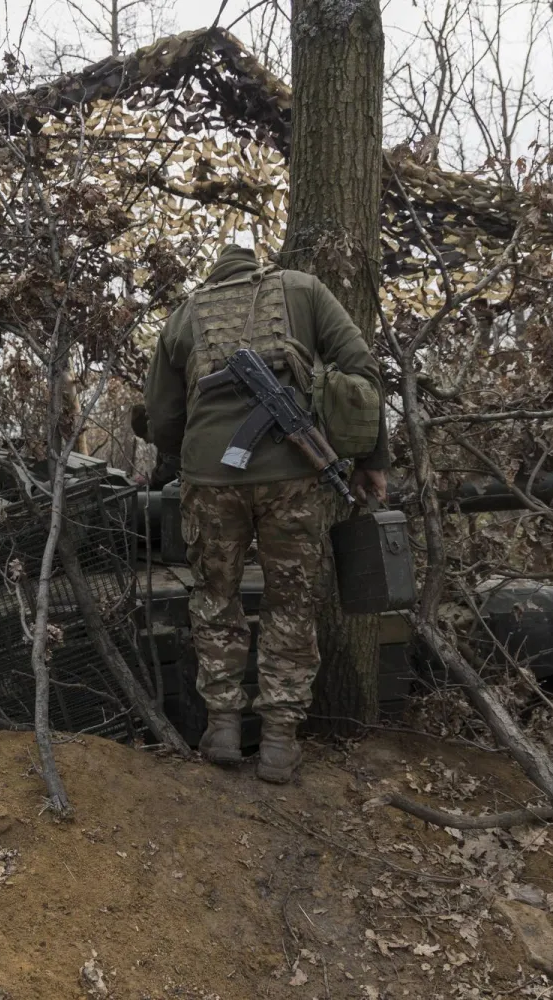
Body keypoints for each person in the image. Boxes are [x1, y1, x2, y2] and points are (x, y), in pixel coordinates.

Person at [143, 244, 390, 783]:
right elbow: (363, 369)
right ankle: (279, 740)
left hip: (211, 480)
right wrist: (373, 458)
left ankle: (224, 725)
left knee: (215, 598)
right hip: (292, 481)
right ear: (258, 265)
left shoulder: (184, 314)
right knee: (292, 602)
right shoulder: (304, 289)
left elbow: (162, 417)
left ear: (215, 273)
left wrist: (186, 449)